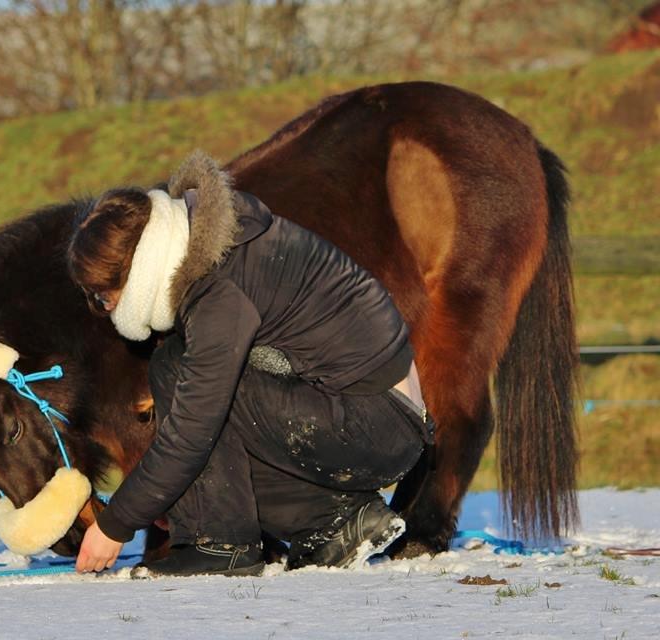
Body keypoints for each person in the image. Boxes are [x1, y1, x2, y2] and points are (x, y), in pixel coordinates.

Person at [67, 151, 433, 577]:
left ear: (135, 270)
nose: (103, 309)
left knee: (186, 380)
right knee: (178, 371)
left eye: (100, 297)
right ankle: (334, 525)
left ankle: (222, 546)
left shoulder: (219, 293)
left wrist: (115, 525)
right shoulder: (219, 248)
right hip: (377, 414)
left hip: (378, 423)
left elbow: (192, 432)